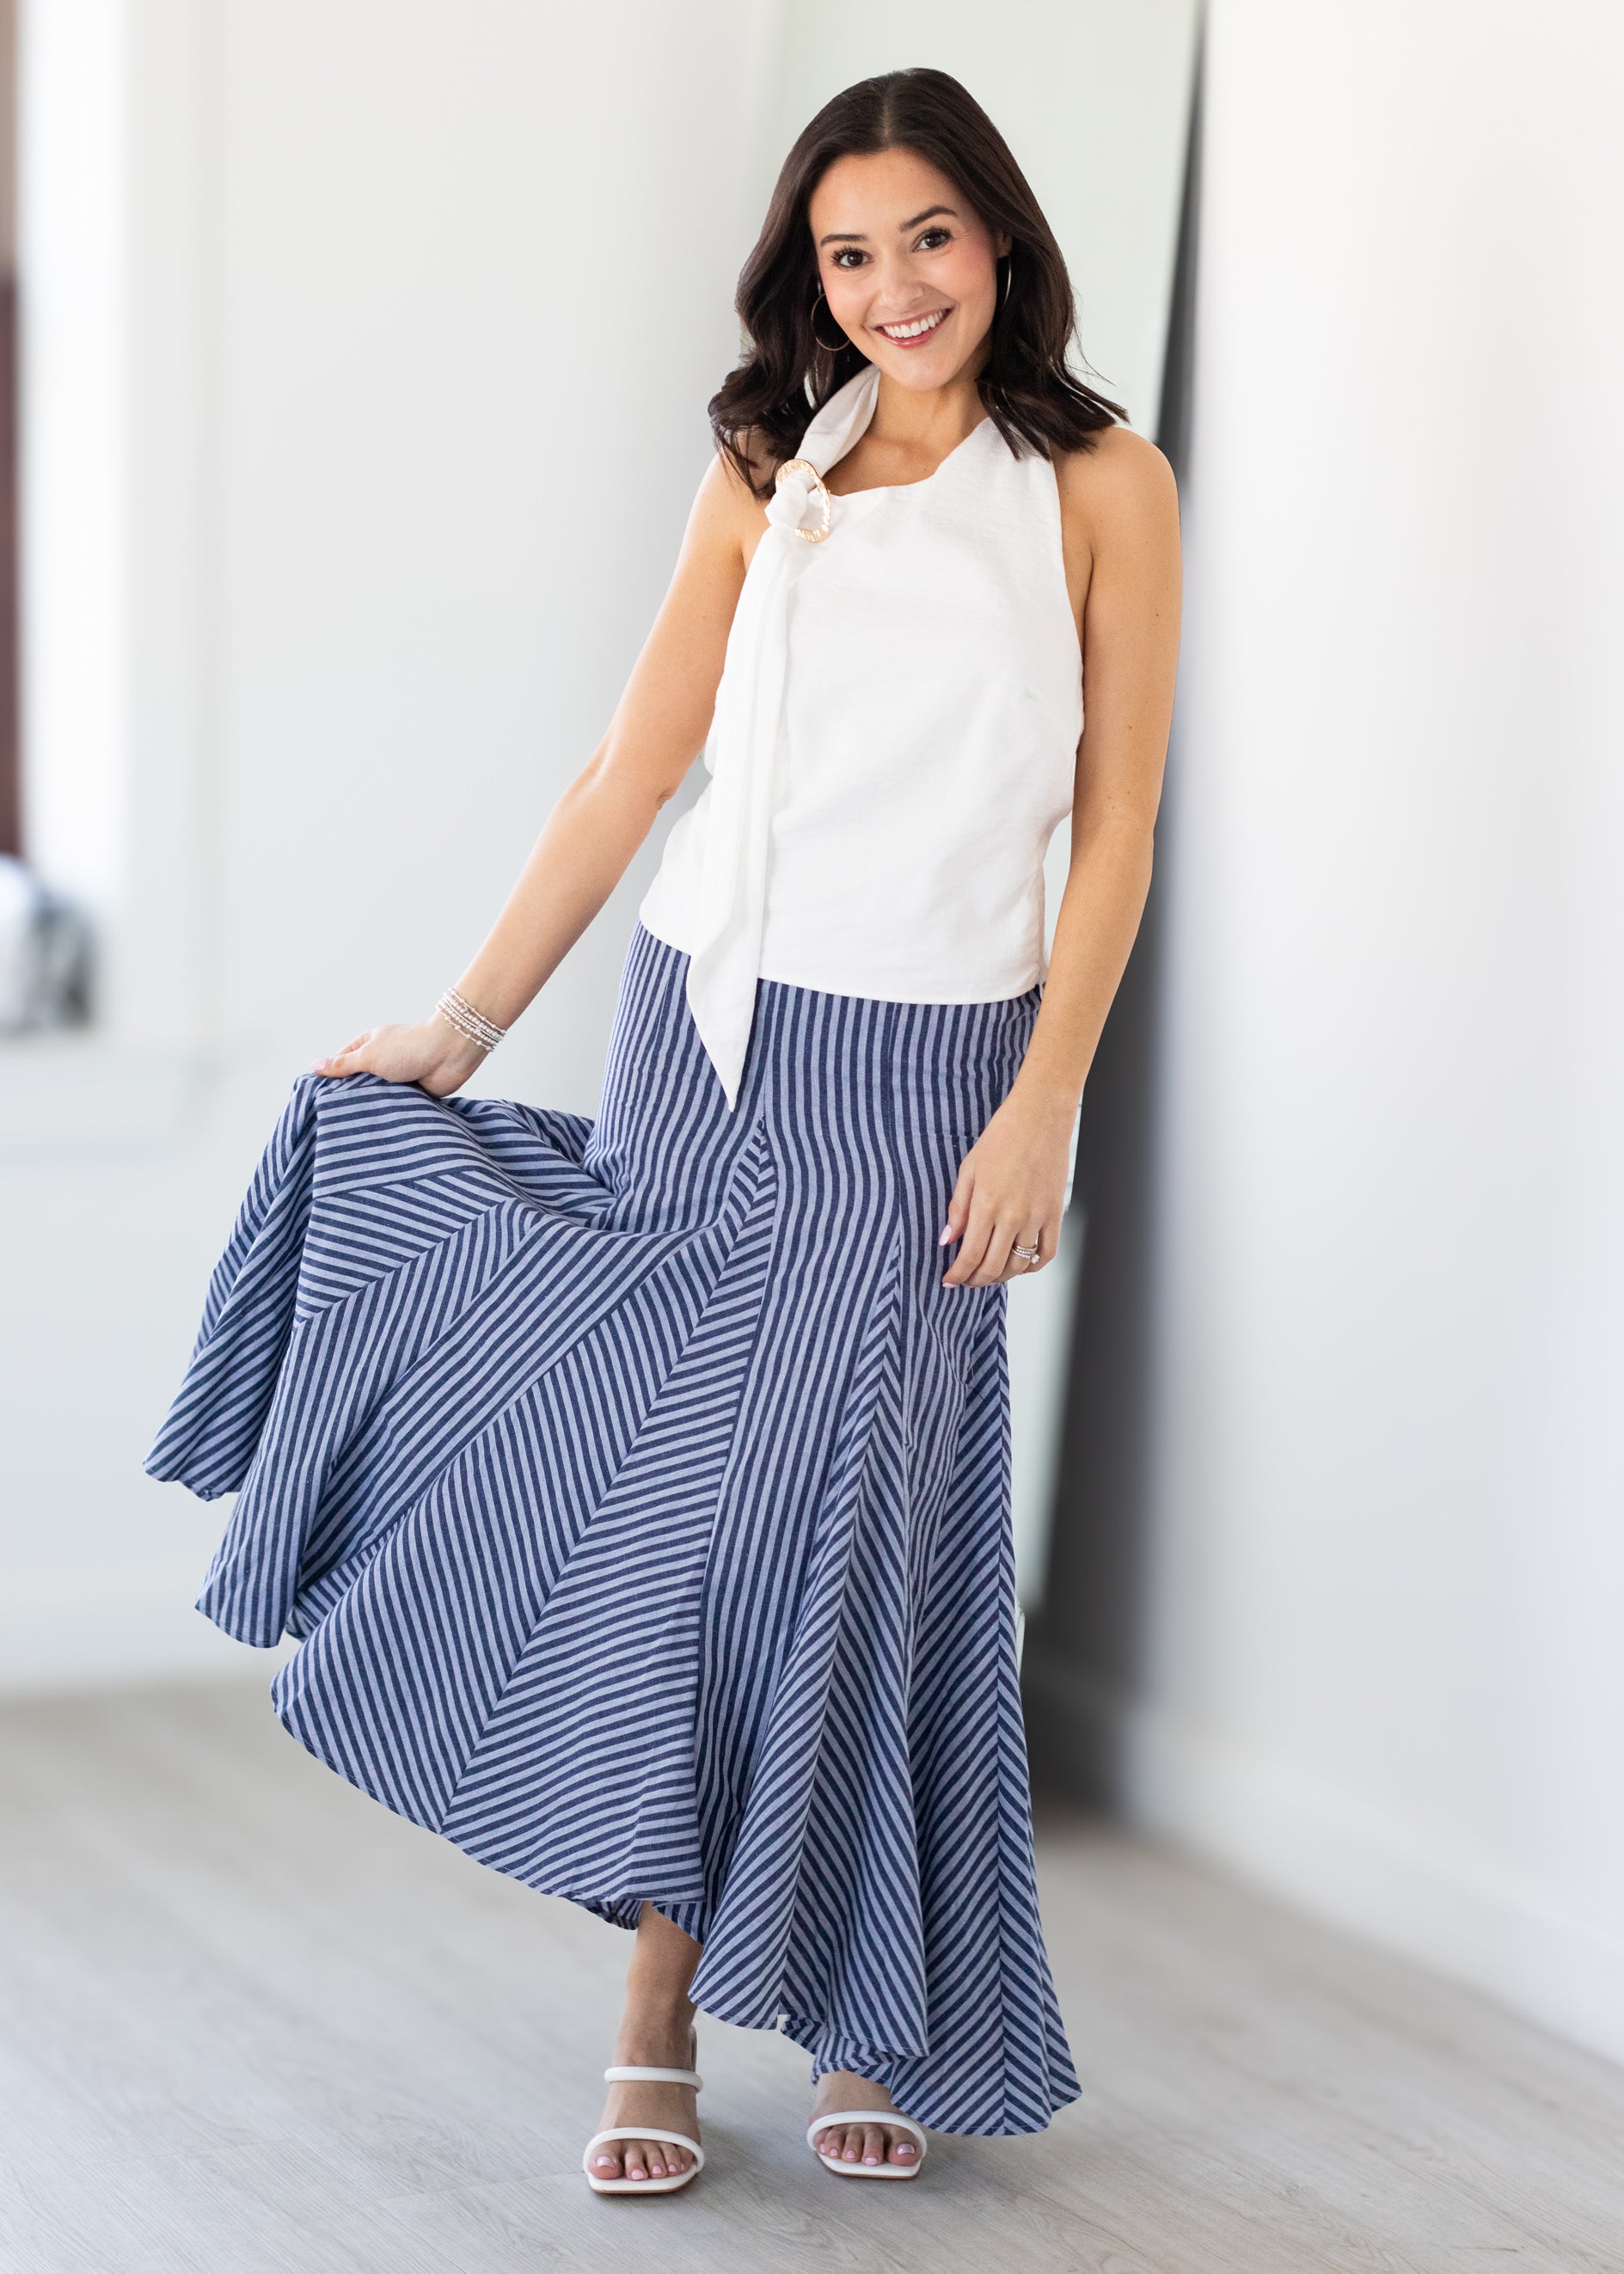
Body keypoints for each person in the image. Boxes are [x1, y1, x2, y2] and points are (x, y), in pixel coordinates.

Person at [146, 65, 1180, 2196]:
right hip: (706, 1047)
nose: (892, 289)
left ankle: (870, 1998)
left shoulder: (1100, 485)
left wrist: (1045, 1109)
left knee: (856, 1537)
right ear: (810, 275)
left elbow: (1118, 829)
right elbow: (630, 774)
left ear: (1002, 239)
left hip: (927, 1090)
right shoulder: (757, 475)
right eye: (846, 253)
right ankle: (658, 1991)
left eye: (927, 239)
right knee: (687, 1526)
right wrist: (462, 1019)